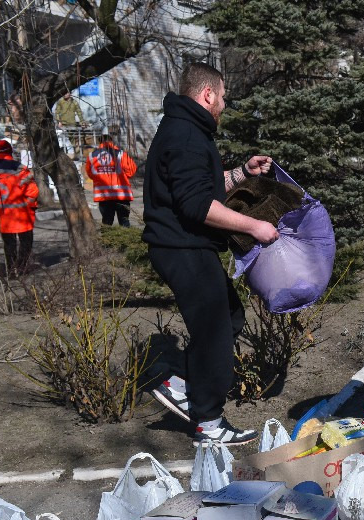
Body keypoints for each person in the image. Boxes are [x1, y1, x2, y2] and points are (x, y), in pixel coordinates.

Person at [142, 62, 279, 446]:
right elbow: (197, 205)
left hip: (186, 246)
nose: (224, 104)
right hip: (182, 248)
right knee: (216, 328)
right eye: (222, 96)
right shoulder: (185, 135)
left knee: (229, 317)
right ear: (207, 95)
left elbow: (199, 185)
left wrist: (242, 172)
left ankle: (182, 386)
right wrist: (254, 226)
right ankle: (208, 422)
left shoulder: (185, 129)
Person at [0, 139, 38, 277]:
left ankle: (11, 271)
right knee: (26, 241)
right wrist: (32, 206)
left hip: (1, 215)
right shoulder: (20, 169)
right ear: (10, 151)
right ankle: (22, 268)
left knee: (9, 244)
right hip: (20, 214)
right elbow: (32, 191)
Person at [86, 134, 137, 227]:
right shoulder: (121, 154)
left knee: (106, 223)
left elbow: (91, 174)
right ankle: (125, 236)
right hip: (121, 194)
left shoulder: (92, 156)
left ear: (99, 142)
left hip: (104, 196)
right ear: (111, 141)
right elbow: (131, 171)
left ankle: (106, 237)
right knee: (124, 222)